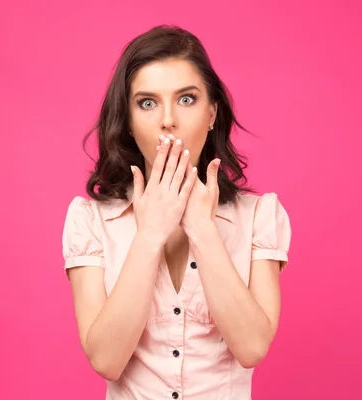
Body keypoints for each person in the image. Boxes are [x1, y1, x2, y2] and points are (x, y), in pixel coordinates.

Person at [61, 25, 292, 400]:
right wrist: (150, 233)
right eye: (147, 103)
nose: (168, 120)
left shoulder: (259, 216)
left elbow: (251, 348)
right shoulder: (90, 221)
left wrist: (202, 228)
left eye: (186, 99)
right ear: (130, 123)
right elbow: (106, 359)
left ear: (212, 112)